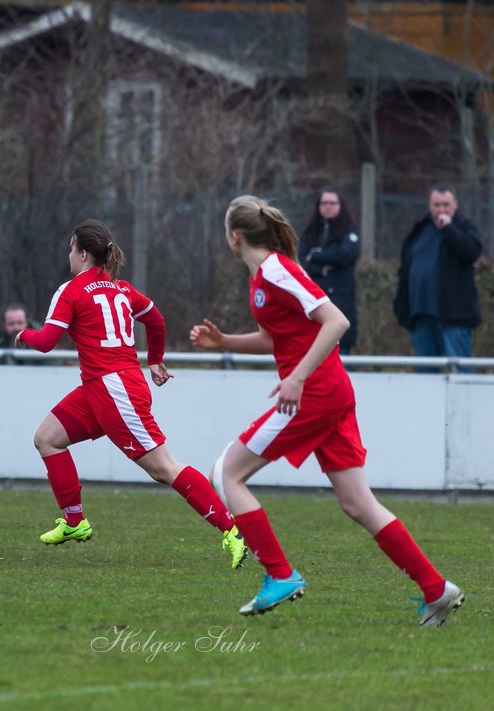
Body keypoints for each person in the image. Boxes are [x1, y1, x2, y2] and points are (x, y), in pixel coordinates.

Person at [191, 195, 464, 626]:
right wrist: (226, 342)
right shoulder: (262, 277)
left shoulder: (277, 270)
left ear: (234, 236)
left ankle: (280, 575)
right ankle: (437, 589)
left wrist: (297, 377)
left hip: (313, 395)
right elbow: (274, 338)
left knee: (229, 473)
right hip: (327, 394)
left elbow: (336, 321)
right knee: (357, 502)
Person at [16, 219, 248, 569]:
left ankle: (231, 529)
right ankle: (75, 522)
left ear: (81, 254)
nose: (69, 255)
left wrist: (24, 335)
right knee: (47, 438)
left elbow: (46, 342)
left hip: (114, 390)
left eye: (70, 248)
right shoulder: (122, 289)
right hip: (105, 386)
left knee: (165, 468)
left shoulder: (72, 291)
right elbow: (156, 320)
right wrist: (154, 361)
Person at [393, 186, 483, 363]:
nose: (441, 209)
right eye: (436, 205)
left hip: (454, 319)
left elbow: (471, 252)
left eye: (446, 205)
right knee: (426, 377)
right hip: (421, 317)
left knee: (460, 372)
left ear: (455, 205)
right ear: (429, 205)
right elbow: (406, 266)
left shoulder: (465, 227)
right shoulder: (419, 230)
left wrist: (448, 229)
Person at [298, 189, 360, 355]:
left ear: (340, 206)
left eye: (332, 203)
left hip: (341, 303)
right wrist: (322, 266)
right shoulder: (311, 233)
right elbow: (300, 260)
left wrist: (316, 256)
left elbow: (345, 255)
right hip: (313, 305)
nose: (328, 207)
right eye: (324, 203)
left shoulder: (349, 231)